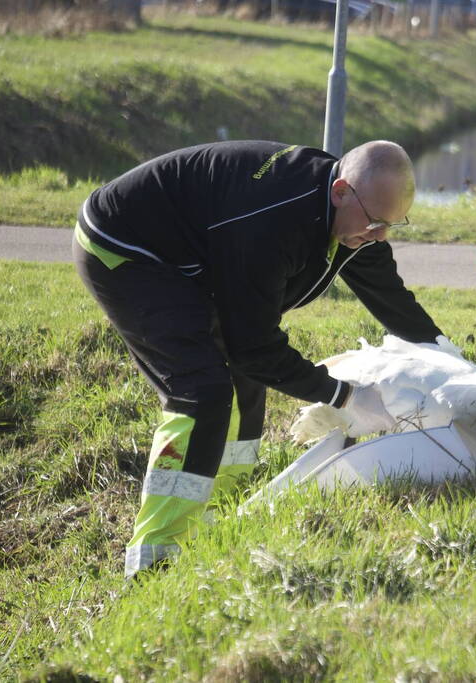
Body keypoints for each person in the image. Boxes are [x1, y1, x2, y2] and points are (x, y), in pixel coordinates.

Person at [73, 139, 448, 577]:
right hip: (128, 248)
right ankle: (152, 562)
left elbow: (392, 300)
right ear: (341, 191)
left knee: (245, 386)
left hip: (196, 254)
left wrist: (446, 359)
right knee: (203, 393)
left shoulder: (353, 217)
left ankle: (212, 524)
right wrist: (342, 395)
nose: (380, 235)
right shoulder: (274, 224)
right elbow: (253, 346)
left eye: (393, 224)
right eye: (375, 222)